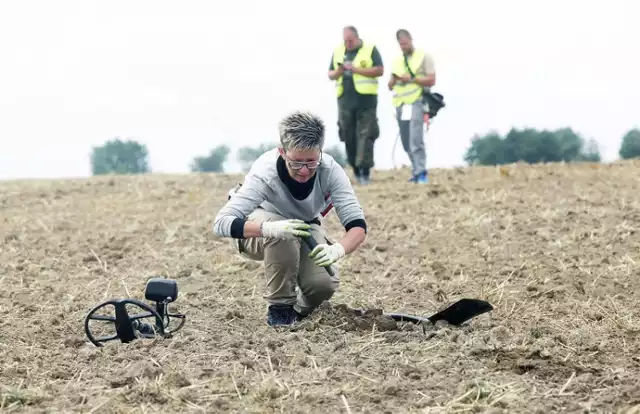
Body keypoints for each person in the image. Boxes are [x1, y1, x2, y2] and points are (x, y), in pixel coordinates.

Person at [213, 111, 368, 327]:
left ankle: (299, 312)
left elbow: (358, 226)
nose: (304, 171)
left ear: (320, 152)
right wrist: (270, 229)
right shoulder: (265, 172)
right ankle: (280, 308)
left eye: (311, 162)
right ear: (282, 152)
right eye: (296, 163)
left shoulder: (331, 171)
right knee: (285, 236)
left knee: (323, 285)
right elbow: (221, 224)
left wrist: (338, 249)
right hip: (259, 227)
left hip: (304, 225)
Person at [328, 26, 384, 185]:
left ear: (357, 38)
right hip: (345, 101)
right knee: (348, 136)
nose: (348, 44)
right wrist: (339, 70)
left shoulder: (370, 49)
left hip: (366, 100)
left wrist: (356, 69)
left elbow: (379, 70)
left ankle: (365, 171)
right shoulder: (338, 51)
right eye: (345, 41)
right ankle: (355, 169)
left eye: (350, 41)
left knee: (366, 135)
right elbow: (330, 74)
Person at [388, 29, 436, 184]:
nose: (403, 46)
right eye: (400, 44)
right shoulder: (397, 61)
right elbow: (390, 85)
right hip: (401, 104)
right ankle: (415, 171)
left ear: (411, 40)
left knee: (416, 138)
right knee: (406, 140)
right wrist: (395, 80)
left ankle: (421, 172)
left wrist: (413, 79)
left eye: (405, 43)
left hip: (417, 100)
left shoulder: (424, 56)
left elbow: (431, 80)